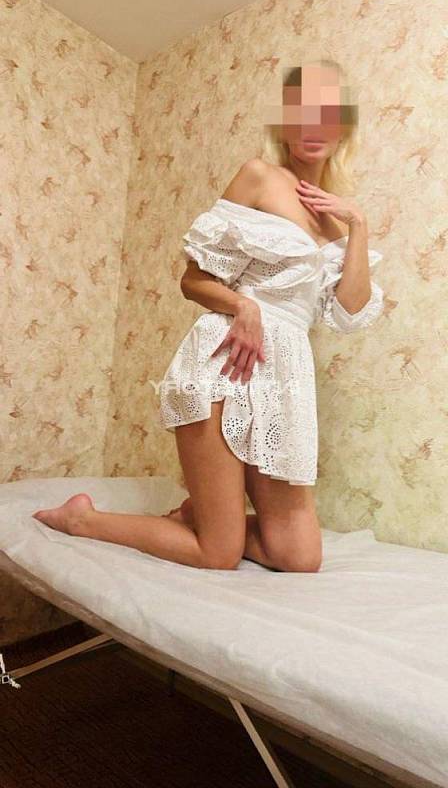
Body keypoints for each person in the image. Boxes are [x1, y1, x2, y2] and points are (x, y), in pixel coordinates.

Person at [32, 59, 384, 573]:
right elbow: (192, 280)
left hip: (285, 379)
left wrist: (358, 224)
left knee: (300, 556)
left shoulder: (338, 221)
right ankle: (82, 519)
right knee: (217, 554)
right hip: (227, 362)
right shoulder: (259, 177)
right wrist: (243, 304)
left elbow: (349, 312)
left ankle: (198, 516)